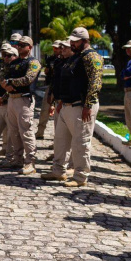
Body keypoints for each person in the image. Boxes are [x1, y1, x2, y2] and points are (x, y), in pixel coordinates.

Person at [42, 28, 103, 187]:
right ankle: (58, 171)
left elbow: (95, 83)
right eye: (72, 40)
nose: (72, 43)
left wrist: (88, 106)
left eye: (75, 41)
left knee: (80, 142)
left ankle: (80, 177)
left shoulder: (92, 57)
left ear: (85, 41)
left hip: (81, 105)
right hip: (66, 105)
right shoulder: (74, 58)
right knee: (60, 140)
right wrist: (60, 102)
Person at [1, 35, 42, 174]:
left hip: (24, 100)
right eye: (18, 44)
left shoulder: (33, 62)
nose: (19, 46)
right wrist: (6, 88)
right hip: (12, 98)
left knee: (26, 131)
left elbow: (28, 79)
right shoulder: (13, 62)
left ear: (29, 47)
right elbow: (4, 78)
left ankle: (30, 161)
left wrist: (11, 82)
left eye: (23, 45)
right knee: (13, 132)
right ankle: (17, 159)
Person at [36, 42, 62, 140]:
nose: (55, 50)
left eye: (57, 48)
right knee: (45, 109)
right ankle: (40, 132)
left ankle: (58, 137)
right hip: (51, 86)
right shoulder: (51, 59)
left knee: (58, 114)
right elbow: (47, 71)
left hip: (60, 88)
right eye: (54, 48)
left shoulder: (64, 59)